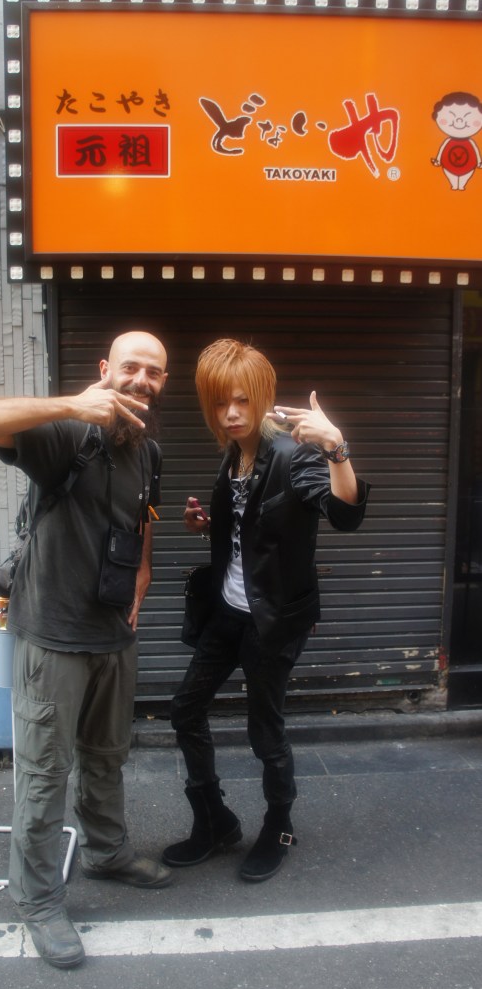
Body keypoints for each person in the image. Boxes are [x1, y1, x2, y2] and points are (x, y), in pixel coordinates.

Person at [0, 331, 171, 969]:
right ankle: (38, 899)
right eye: (131, 366)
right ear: (106, 368)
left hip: (113, 633)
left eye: (155, 372)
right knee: (46, 773)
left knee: (107, 756)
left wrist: (144, 571)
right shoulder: (65, 434)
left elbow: (144, 514)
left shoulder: (148, 449)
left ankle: (108, 853)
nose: (142, 380)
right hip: (52, 635)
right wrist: (72, 405)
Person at [162, 339, 369, 884]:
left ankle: (279, 826)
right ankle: (214, 819)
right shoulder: (235, 453)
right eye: (219, 403)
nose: (231, 413)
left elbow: (344, 514)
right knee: (185, 709)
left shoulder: (293, 453)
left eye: (241, 401)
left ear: (261, 396)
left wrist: (337, 448)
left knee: (264, 729)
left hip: (272, 618)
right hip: (228, 611)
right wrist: (209, 525)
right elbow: (255, 528)